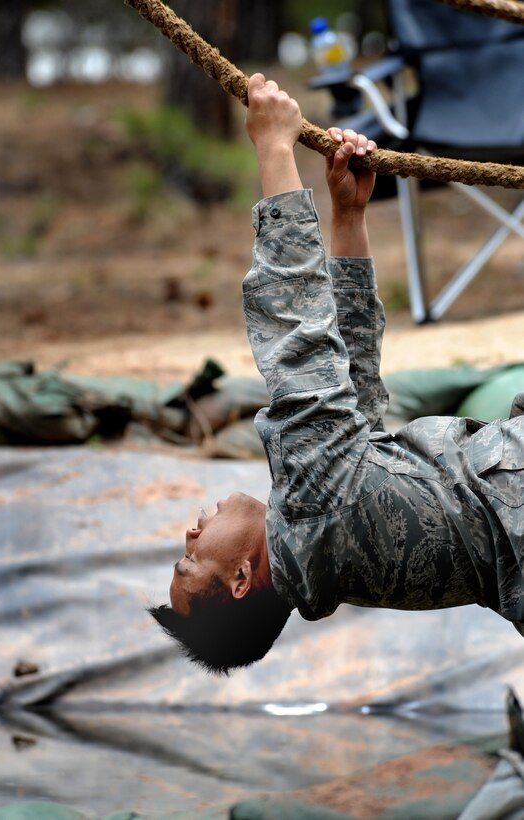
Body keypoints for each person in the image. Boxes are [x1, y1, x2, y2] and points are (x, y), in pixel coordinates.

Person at [150, 73, 524, 675]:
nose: (190, 535)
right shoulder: (311, 512)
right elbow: (295, 330)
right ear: (243, 578)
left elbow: (353, 398)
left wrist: (348, 218)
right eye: (189, 561)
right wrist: (274, 147)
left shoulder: (328, 539)